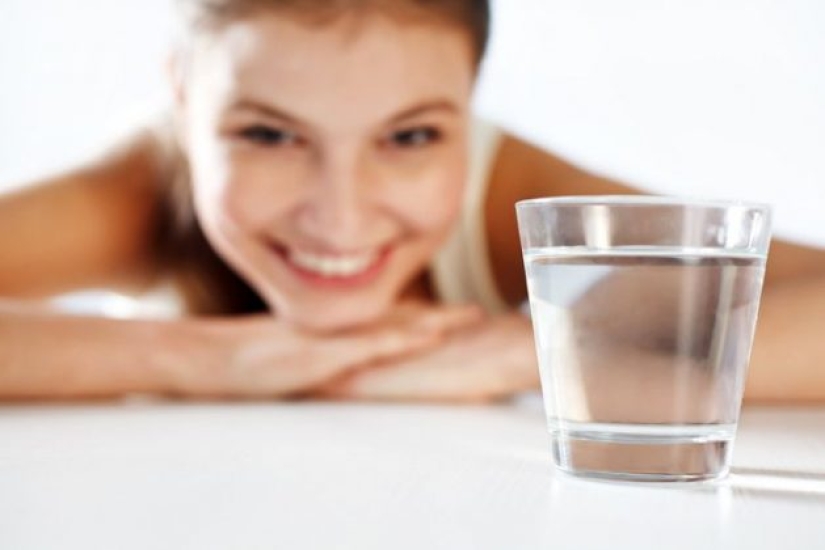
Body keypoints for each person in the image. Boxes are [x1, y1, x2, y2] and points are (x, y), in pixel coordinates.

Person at [0, 0, 823, 403]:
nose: (342, 218)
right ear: (182, 99)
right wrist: (204, 359)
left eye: (410, 136)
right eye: (269, 135)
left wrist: (532, 353)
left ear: (469, 100)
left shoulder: (507, 200)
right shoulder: (145, 194)